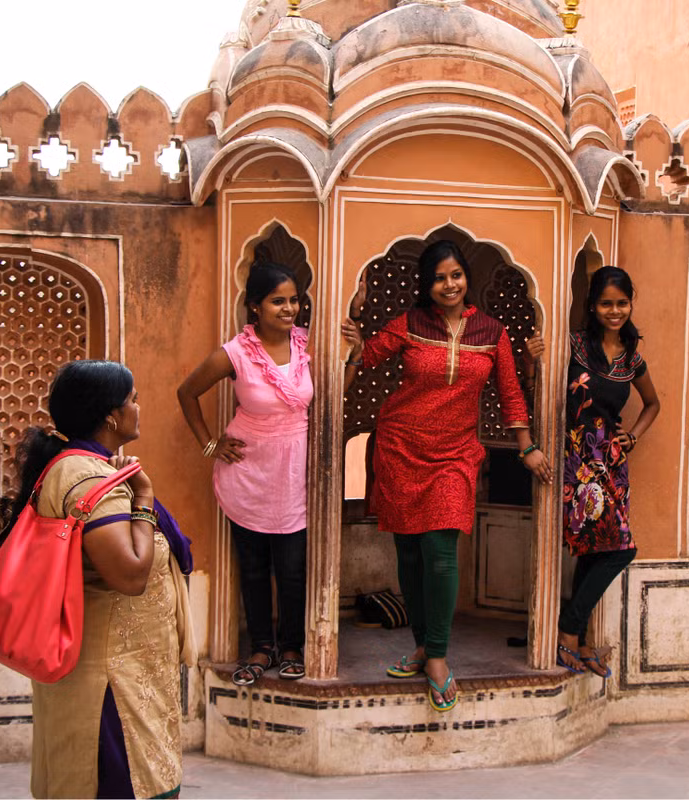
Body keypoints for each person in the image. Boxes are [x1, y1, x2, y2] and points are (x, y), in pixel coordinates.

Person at [341, 239, 554, 712]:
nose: (449, 284)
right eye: (439, 277)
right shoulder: (411, 324)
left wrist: (528, 448)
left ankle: (436, 656)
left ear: (466, 278)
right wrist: (353, 325)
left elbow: (511, 393)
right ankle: (421, 645)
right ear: (427, 284)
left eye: (455, 274)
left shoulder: (491, 331)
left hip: (456, 453)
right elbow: (368, 357)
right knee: (412, 555)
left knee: (440, 553)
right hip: (400, 446)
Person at [20, 360, 196, 799]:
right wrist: (144, 499)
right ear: (111, 416)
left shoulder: (92, 470)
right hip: (108, 682)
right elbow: (129, 573)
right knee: (117, 786)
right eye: (133, 399)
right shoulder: (85, 477)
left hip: (126, 671)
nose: (139, 407)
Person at [177, 262, 312, 685]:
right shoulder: (236, 352)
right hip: (249, 470)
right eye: (278, 301)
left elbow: (321, 396)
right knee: (253, 567)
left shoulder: (307, 345)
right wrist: (209, 444)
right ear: (255, 306)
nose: (288, 308)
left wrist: (356, 346)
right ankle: (260, 647)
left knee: (292, 568)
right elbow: (187, 392)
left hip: (295, 472)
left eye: (293, 300)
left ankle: (291, 645)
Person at [527, 266, 660, 677]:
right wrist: (534, 362)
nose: (615, 310)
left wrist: (632, 437)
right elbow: (540, 388)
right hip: (575, 461)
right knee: (608, 548)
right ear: (592, 306)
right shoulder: (574, 346)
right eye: (607, 303)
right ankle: (571, 634)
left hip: (611, 464)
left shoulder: (632, 358)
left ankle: (575, 637)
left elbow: (653, 404)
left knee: (609, 548)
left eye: (622, 303)